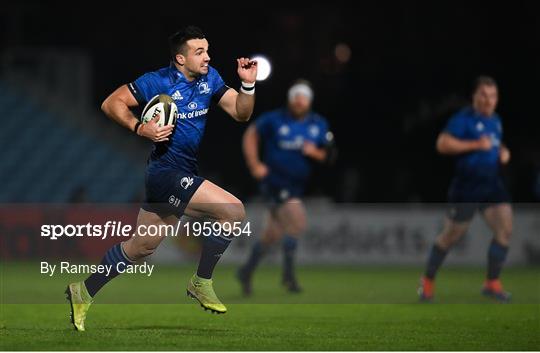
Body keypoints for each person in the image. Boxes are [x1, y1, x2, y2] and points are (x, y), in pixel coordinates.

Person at [65, 26, 258, 331]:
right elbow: (110, 103)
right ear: (180, 58)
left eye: (207, 50)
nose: (208, 57)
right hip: (165, 174)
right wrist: (139, 127)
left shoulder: (211, 79)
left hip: (183, 172)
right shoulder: (156, 81)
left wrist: (247, 86)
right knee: (233, 210)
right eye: (200, 52)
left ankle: (83, 291)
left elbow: (240, 113)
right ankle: (201, 281)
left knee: (142, 246)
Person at [418, 76, 512, 302]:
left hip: (491, 186)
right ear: (475, 97)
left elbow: (495, 143)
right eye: (484, 95)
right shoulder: (463, 119)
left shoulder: (496, 121)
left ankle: (492, 282)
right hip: (467, 188)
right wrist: (475, 145)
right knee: (451, 236)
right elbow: (442, 144)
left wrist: (503, 152)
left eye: (493, 96)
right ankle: (428, 281)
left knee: (505, 230)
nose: (488, 100)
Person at [237, 80, 336, 295]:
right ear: (290, 99)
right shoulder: (274, 119)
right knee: (298, 221)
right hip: (275, 183)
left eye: (304, 97)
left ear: (309, 101)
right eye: (296, 97)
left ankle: (246, 270)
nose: (300, 101)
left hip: (297, 186)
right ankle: (288, 276)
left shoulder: (318, 123)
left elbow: (329, 156)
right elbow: (251, 134)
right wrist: (254, 164)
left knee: (271, 235)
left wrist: (315, 153)